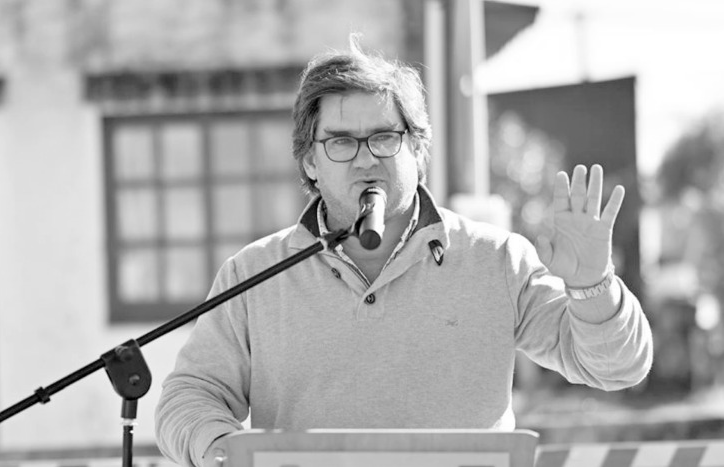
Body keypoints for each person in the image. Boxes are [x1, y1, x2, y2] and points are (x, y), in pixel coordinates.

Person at [154, 36, 653, 467]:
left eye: (385, 138)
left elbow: (618, 367)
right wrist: (221, 451)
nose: (366, 159)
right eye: (341, 143)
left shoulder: (497, 258)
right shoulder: (255, 273)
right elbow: (189, 396)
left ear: (418, 149)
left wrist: (592, 285)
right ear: (309, 162)